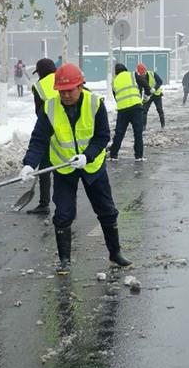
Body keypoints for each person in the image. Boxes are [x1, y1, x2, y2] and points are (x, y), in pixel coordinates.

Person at [20, 63, 131, 273]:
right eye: (61, 91)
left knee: (107, 211)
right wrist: (29, 163)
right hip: (64, 168)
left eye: (70, 90)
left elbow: (102, 136)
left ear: (81, 86)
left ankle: (115, 254)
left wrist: (87, 156)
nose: (66, 95)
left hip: (92, 167)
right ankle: (64, 260)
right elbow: (38, 140)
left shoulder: (95, 104)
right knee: (63, 214)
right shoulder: (50, 108)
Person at [26, 57, 56, 215]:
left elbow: (39, 113)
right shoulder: (64, 78)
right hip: (70, 129)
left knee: (45, 167)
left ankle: (44, 203)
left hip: (48, 129)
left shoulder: (39, 87)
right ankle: (66, 203)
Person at [108, 63, 145, 161]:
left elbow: (116, 96)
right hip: (136, 107)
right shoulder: (132, 75)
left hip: (123, 110)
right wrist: (148, 93)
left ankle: (113, 155)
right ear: (125, 69)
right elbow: (143, 82)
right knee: (138, 133)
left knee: (119, 133)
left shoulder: (114, 81)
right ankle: (139, 156)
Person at [136, 63, 165, 129]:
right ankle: (143, 127)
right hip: (148, 96)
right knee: (144, 111)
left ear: (145, 71)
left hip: (157, 94)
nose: (142, 75)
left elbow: (160, 81)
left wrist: (154, 88)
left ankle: (163, 125)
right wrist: (140, 100)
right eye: (141, 74)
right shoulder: (139, 78)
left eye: (143, 73)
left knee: (159, 109)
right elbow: (140, 90)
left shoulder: (152, 74)